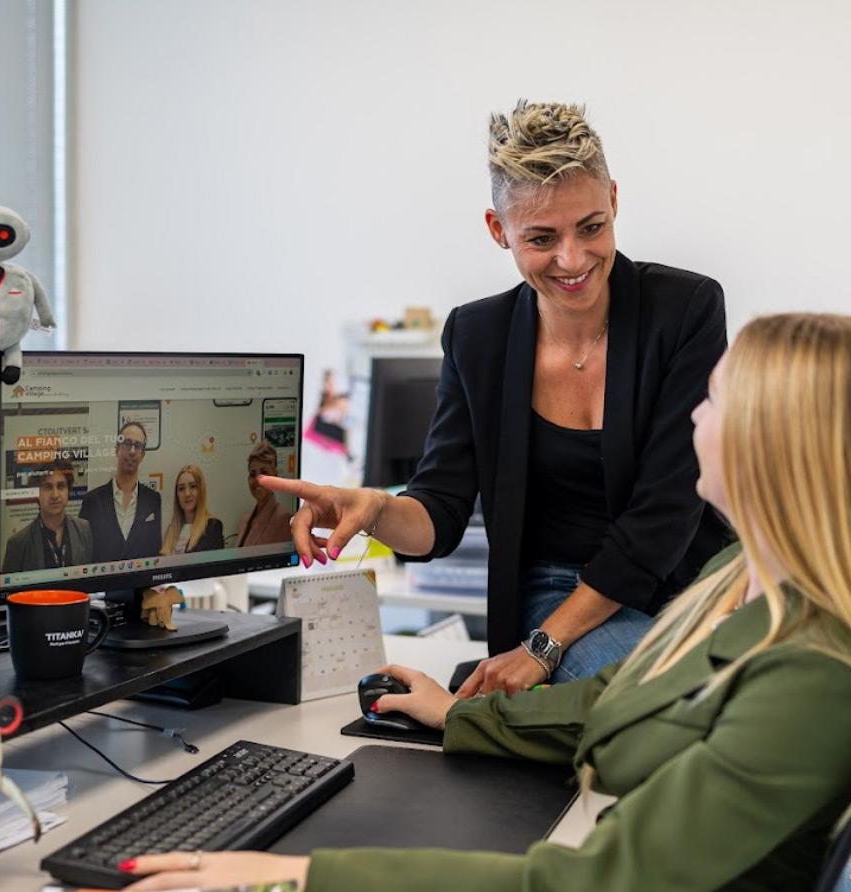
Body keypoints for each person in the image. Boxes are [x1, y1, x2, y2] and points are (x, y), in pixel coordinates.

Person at [127, 314, 851, 892]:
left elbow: (589, 889)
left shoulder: (811, 676)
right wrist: (461, 715)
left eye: (715, 397)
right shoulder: (740, 577)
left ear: (772, 440)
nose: (695, 414)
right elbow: (615, 695)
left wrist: (305, 885)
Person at [260, 101, 729, 694]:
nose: (573, 259)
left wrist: (541, 651)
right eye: (541, 237)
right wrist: (375, 508)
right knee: (670, 704)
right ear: (497, 229)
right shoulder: (476, 336)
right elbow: (442, 513)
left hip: (687, 580)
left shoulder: (685, 310)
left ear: (614, 199)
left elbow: (666, 509)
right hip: (561, 592)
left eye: (591, 226)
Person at [79, 420, 162, 562]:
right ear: (117, 449)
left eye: (137, 446)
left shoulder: (153, 500)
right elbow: (83, 553)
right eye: (127, 444)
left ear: (142, 455)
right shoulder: (92, 500)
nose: (132, 451)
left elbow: (154, 549)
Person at [1, 457, 93, 573]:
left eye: (61, 486)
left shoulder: (84, 530)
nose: (55, 495)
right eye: (47, 487)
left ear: (68, 490)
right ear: (36, 493)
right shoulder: (18, 543)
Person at [236, 442, 292, 547]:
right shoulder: (245, 520)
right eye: (252, 474)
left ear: (275, 477)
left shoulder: (284, 520)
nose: (257, 480)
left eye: (264, 473)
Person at [160, 464, 223, 555]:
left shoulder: (213, 527)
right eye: (181, 489)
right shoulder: (171, 530)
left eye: (193, 486)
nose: (187, 494)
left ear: (201, 490)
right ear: (177, 495)